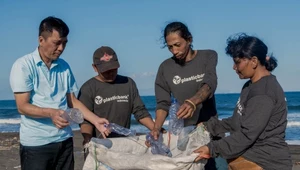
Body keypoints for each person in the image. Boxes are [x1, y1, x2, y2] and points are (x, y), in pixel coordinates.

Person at [9, 16, 110, 170]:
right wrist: (51, 113)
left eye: (64, 43)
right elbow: (22, 106)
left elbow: (72, 101)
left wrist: (96, 120)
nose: (61, 48)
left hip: (64, 141)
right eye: (57, 43)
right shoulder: (23, 65)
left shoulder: (64, 66)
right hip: (36, 144)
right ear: (41, 40)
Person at [194, 33, 292, 170]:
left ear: (254, 61)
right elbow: (238, 121)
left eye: (237, 62)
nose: (234, 67)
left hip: (265, 162)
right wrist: (210, 126)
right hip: (249, 157)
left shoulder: (263, 93)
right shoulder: (250, 85)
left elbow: (247, 135)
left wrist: (211, 148)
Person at [151, 21, 222, 169]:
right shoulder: (165, 68)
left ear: (189, 39)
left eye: (178, 44)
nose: (174, 51)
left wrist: (192, 102)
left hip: (210, 129)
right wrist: (156, 127)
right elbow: (163, 103)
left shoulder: (208, 56)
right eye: (170, 47)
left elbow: (210, 84)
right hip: (185, 135)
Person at [78, 46, 155, 150]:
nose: (110, 73)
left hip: (124, 144)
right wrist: (88, 139)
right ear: (95, 68)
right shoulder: (88, 88)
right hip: (100, 145)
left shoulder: (128, 83)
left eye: (113, 69)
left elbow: (140, 111)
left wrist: (156, 129)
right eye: (106, 70)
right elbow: (84, 120)